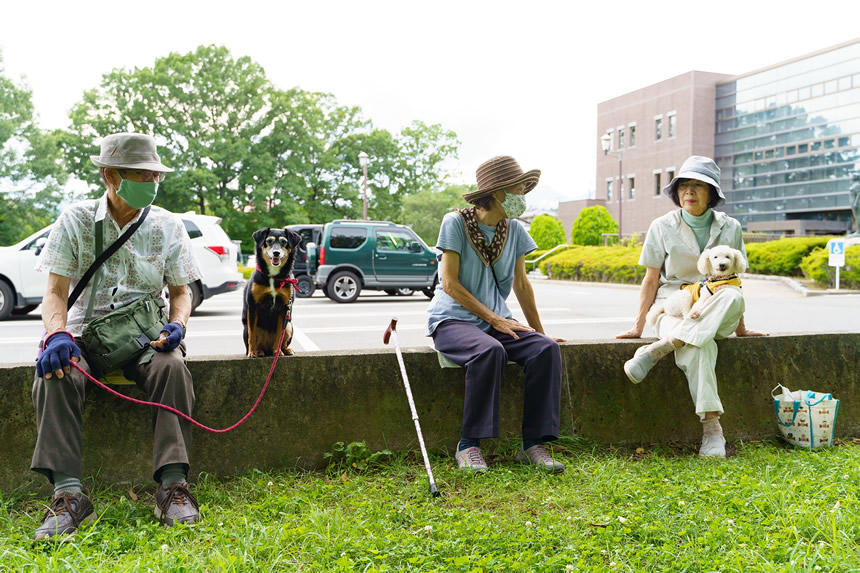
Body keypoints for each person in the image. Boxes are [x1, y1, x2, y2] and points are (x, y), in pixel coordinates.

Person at [31, 133, 203, 540]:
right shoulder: (75, 220)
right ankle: (69, 495)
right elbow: (54, 292)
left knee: (172, 368)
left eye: (155, 175)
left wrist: (177, 325)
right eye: (141, 175)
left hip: (145, 336)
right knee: (56, 373)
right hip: (83, 334)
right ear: (110, 175)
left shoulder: (168, 225)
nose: (151, 182)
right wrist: (57, 335)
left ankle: (173, 487)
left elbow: (181, 293)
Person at [617, 156, 768, 458]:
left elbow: (736, 279)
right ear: (676, 192)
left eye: (698, 185)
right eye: (684, 185)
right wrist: (638, 325)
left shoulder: (731, 227)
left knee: (732, 296)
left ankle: (663, 347)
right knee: (701, 346)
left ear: (711, 193)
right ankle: (712, 431)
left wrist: (741, 328)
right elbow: (651, 279)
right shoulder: (661, 226)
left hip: (719, 302)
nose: (689, 191)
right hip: (676, 306)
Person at [426, 155, 565, 473]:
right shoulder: (455, 223)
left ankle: (533, 445)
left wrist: (539, 332)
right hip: (452, 320)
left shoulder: (514, 230)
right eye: (518, 189)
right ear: (497, 193)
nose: (523, 196)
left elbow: (522, 284)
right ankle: (469, 445)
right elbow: (449, 283)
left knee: (546, 350)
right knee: (490, 351)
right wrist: (493, 319)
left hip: (497, 322)